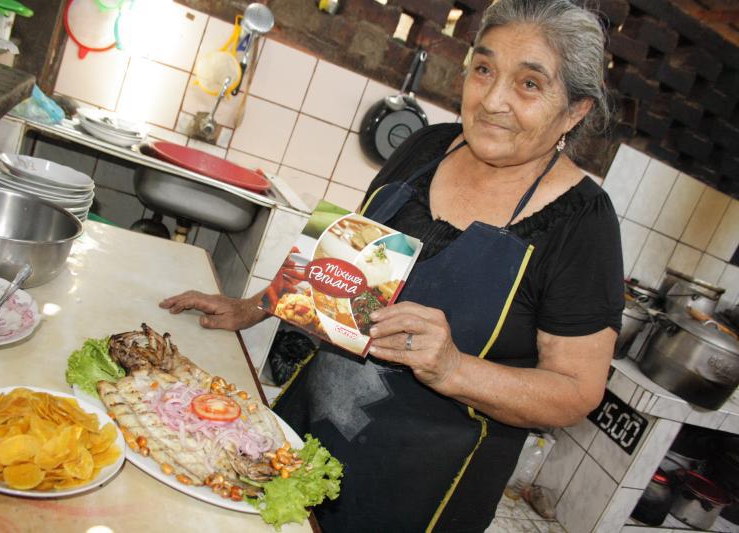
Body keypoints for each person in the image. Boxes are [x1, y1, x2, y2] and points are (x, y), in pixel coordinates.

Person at [160, 0, 624, 530]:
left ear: (575, 111)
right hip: (298, 437)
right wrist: (253, 307)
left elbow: (577, 392)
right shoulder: (427, 147)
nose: (493, 100)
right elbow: (343, 262)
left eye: (530, 84)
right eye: (484, 70)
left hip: (417, 497)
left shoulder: (582, 222)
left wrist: (454, 368)